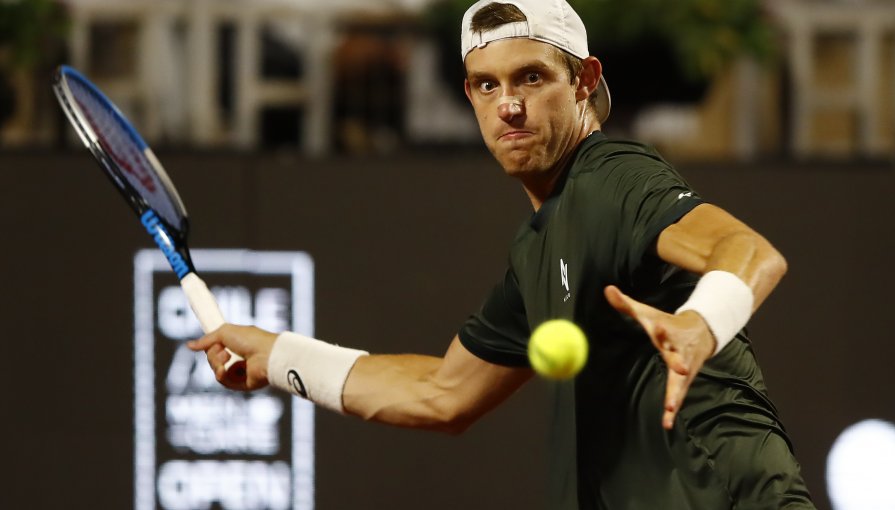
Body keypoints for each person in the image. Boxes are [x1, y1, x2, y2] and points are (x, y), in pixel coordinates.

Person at [189, 0, 815, 508]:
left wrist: (700, 324)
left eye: (532, 78)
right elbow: (441, 392)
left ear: (585, 82)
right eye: (488, 85)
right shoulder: (536, 248)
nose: (508, 105)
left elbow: (749, 251)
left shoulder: (612, 178)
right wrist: (277, 356)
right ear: (470, 97)